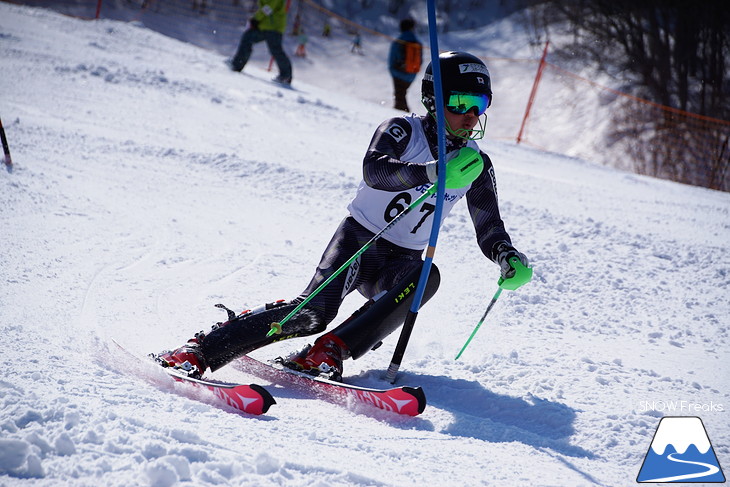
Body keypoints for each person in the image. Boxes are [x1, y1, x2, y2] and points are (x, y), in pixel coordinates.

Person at [156, 51, 530, 382]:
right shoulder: (403, 130)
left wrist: (506, 255)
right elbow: (376, 171)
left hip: (402, 260)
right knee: (311, 314)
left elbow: (489, 225)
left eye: (478, 105)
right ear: (433, 100)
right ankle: (200, 351)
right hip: (359, 241)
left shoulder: (477, 164)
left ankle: (329, 350)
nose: (470, 116)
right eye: (460, 103)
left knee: (425, 277)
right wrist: (433, 172)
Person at [228, 0, 293, 85]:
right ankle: (237, 64)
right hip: (264, 25)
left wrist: (256, 19)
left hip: (274, 27)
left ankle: (286, 75)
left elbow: (268, 8)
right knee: (247, 37)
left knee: (276, 50)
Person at [389, 18, 422, 112]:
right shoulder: (417, 43)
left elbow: (392, 58)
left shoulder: (399, 41)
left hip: (398, 73)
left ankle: (401, 117)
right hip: (411, 74)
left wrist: (393, 70)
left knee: (399, 97)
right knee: (402, 95)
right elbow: (420, 60)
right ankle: (403, 113)